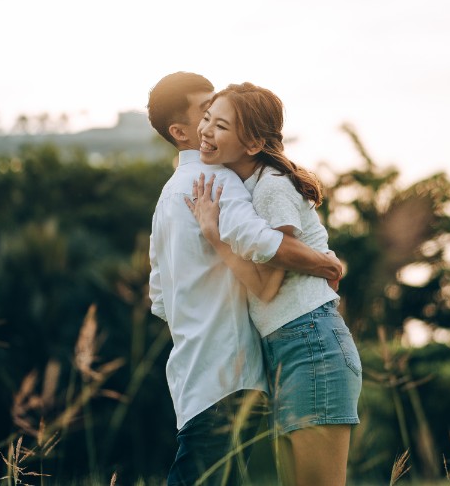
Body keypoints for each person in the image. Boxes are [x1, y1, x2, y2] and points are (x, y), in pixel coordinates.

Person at [146, 72, 344, 486]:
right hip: (230, 373)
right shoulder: (217, 180)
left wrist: (198, 319)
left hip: (193, 377)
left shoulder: (166, 198)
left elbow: (160, 299)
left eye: (219, 116)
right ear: (180, 131)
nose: (210, 125)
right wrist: (325, 263)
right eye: (206, 114)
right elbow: (260, 241)